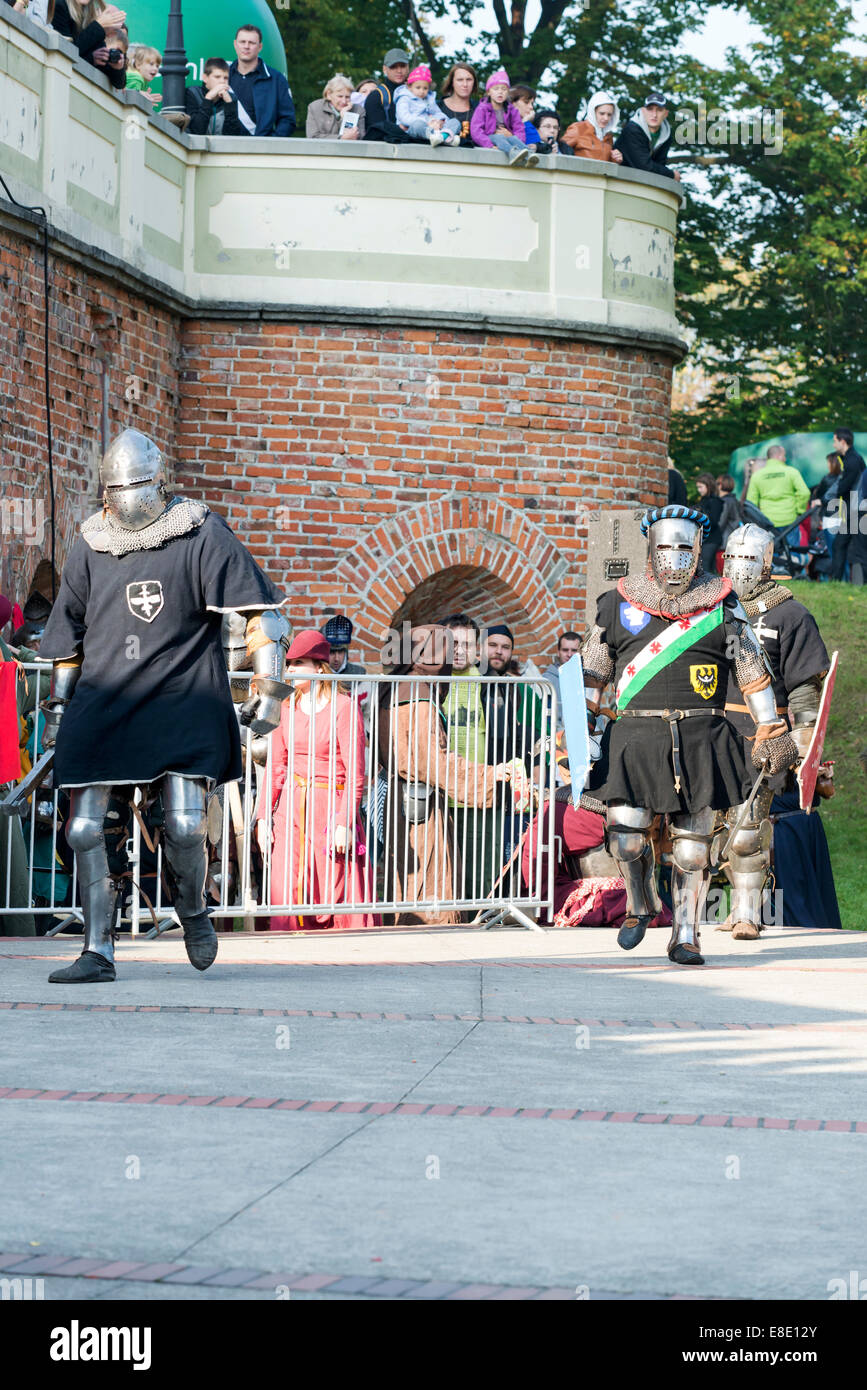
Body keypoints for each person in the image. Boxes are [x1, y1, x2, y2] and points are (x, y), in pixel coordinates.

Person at [36, 428, 290, 983]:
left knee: (182, 822)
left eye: (137, 484)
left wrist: (269, 693)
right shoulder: (91, 542)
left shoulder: (198, 531)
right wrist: (59, 711)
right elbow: (67, 639)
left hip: (181, 695)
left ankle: (193, 909)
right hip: (105, 699)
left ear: (159, 480)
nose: (128, 496)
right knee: (82, 829)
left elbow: (261, 616)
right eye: (118, 487)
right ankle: (98, 949)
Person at [581, 503, 798, 965]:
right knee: (626, 838)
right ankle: (642, 903)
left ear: (699, 549)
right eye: (666, 547)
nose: (675, 556)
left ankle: (685, 933)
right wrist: (581, 727)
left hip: (701, 736)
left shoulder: (722, 603)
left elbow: (752, 670)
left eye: (684, 547)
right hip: (634, 737)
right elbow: (592, 673)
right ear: (650, 548)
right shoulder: (617, 602)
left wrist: (770, 727)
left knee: (691, 848)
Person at [722, 524, 840, 935]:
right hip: (719, 737)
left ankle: (750, 914)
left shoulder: (791, 615)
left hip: (768, 737)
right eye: (732, 559)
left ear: (767, 564)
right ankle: (711, 913)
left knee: (751, 831)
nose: (739, 568)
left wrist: (802, 744)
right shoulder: (715, 612)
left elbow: (806, 693)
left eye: (748, 559)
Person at [379, 625, 504, 925]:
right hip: (418, 808)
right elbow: (432, 761)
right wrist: (492, 776)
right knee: (428, 889)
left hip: (404, 799)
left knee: (410, 885)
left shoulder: (397, 685)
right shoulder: (417, 692)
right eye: (448, 651)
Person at [256, 630, 375, 932]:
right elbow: (276, 766)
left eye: (299, 663)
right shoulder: (285, 708)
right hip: (290, 810)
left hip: (330, 806)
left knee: (336, 885)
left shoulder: (344, 707)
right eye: (290, 663)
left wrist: (345, 821)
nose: (291, 670)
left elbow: (355, 771)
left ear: (319, 668)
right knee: (286, 882)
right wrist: (262, 817)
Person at [229, 24, 296, 138]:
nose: (246, 46)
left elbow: (288, 120)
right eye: (242, 42)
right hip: (223, 149)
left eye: (252, 43)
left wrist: (271, 143)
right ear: (235, 44)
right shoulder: (224, 76)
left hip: (262, 151)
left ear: (260, 47)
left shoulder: (276, 79)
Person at [52, 0, 128, 88]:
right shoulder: (60, 5)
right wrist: (98, 26)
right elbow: (65, 52)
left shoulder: (89, 19)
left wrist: (118, 68)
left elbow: (119, 84)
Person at [471, 70, 536, 167]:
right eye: (496, 89)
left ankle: (530, 154)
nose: (500, 92)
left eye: (504, 89)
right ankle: (513, 154)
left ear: (508, 92)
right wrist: (489, 145)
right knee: (499, 137)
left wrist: (515, 138)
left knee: (513, 138)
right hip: (490, 137)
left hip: (506, 138)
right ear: (489, 92)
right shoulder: (482, 108)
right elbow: (476, 130)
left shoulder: (511, 110)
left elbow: (519, 128)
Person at [615, 93, 681, 181]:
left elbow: (660, 164)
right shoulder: (632, 129)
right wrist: (672, 174)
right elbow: (644, 165)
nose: (654, 115)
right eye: (650, 109)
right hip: (618, 178)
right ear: (643, 111)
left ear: (666, 113)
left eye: (659, 110)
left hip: (642, 182)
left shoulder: (666, 136)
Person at [827, 428, 866, 581]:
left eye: (835, 441)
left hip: (857, 511)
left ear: (843, 442)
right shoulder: (853, 459)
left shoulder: (852, 461)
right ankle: (836, 580)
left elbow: (843, 487)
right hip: (854, 510)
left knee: (859, 549)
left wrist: (826, 499)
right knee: (840, 545)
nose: (834, 444)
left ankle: (847, 581)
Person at [394, 64, 461, 146]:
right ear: (409, 86)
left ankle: (442, 137)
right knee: (417, 125)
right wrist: (427, 122)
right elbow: (404, 118)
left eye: (425, 88)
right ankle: (444, 138)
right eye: (418, 87)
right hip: (415, 129)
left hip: (434, 127)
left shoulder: (429, 99)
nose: (422, 91)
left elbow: (437, 112)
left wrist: (440, 121)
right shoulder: (404, 98)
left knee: (455, 122)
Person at [746, 445, 810, 529]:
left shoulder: (757, 476)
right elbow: (804, 493)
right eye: (784, 455)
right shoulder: (792, 472)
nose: (785, 458)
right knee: (792, 543)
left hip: (767, 522)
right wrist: (799, 511)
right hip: (790, 520)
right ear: (779, 456)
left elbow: (751, 502)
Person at [363, 48, 418, 145]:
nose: (399, 71)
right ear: (384, 69)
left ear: (408, 67)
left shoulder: (419, 92)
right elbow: (374, 133)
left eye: (402, 66)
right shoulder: (376, 96)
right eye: (393, 67)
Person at [185, 57, 248, 136]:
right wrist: (208, 98)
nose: (222, 81)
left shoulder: (231, 98)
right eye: (217, 77)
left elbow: (232, 136)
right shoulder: (192, 93)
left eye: (226, 78)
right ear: (205, 78)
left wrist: (229, 104)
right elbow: (197, 130)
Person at [561, 92, 624, 163]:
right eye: (602, 113)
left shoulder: (608, 137)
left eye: (609, 115)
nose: (606, 118)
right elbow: (559, 152)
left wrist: (615, 159)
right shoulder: (578, 128)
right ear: (593, 112)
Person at [306, 72, 365, 140]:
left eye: (347, 97)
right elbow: (313, 136)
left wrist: (346, 118)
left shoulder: (358, 110)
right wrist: (341, 138)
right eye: (340, 96)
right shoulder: (315, 107)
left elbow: (360, 137)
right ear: (329, 95)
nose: (344, 101)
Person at [541, 630, 581, 722]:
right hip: (554, 733)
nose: (569, 654)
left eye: (574, 650)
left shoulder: (588, 680)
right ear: (558, 652)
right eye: (565, 650)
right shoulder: (546, 680)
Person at [439, 62, 479, 146]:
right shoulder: (438, 107)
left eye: (469, 80)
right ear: (452, 82)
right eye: (460, 80)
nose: (465, 84)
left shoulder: (480, 109)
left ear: (474, 82)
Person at [695, 472, 723, 573]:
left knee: (705, 567)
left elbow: (713, 521)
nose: (699, 490)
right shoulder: (703, 500)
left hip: (712, 539)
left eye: (701, 487)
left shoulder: (715, 501)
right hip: (705, 538)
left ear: (708, 485)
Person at [718, 474, 744, 546]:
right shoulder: (735, 500)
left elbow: (721, 523)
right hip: (735, 539)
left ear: (720, 485)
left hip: (724, 541)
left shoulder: (724, 502)